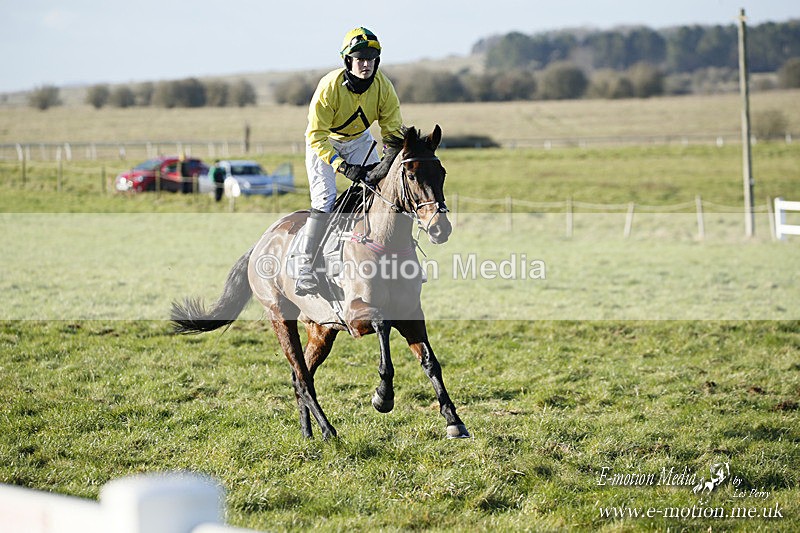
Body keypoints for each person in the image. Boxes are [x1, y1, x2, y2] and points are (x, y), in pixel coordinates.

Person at [296, 26, 404, 296]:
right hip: (324, 141)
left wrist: (385, 164)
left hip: (358, 140)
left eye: (370, 59)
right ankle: (304, 267)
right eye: (359, 59)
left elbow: (393, 133)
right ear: (348, 61)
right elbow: (316, 135)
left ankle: (396, 259)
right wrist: (342, 166)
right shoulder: (329, 87)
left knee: (380, 192)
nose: (365, 64)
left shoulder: (383, 87)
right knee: (325, 200)